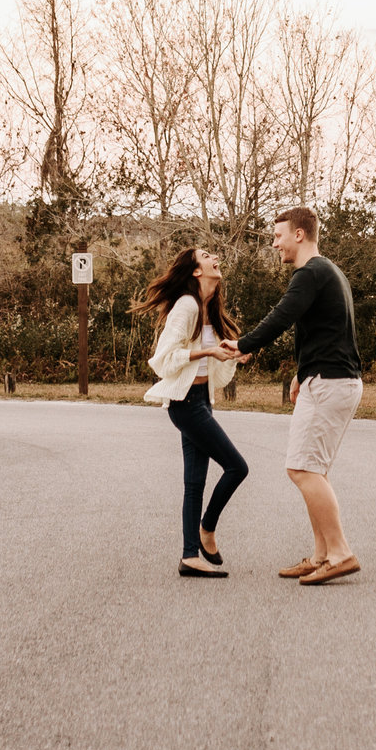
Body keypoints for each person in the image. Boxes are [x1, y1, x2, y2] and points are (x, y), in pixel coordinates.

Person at [224, 206, 362, 584]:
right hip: (330, 379)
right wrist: (302, 372)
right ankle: (322, 555)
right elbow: (318, 328)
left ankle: (340, 553)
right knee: (312, 469)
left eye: (278, 235)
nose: (274, 243)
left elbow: (283, 316)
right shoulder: (328, 271)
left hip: (331, 383)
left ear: (299, 234)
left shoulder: (310, 273)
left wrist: (243, 344)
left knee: (301, 469)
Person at [143, 246, 248, 578]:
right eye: (205, 255)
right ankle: (206, 528)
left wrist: (231, 355)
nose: (214, 256)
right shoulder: (187, 306)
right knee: (237, 467)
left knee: (194, 484)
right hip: (186, 403)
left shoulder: (207, 307)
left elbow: (210, 364)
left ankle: (190, 556)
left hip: (199, 398)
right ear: (196, 271)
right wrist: (208, 351)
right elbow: (163, 359)